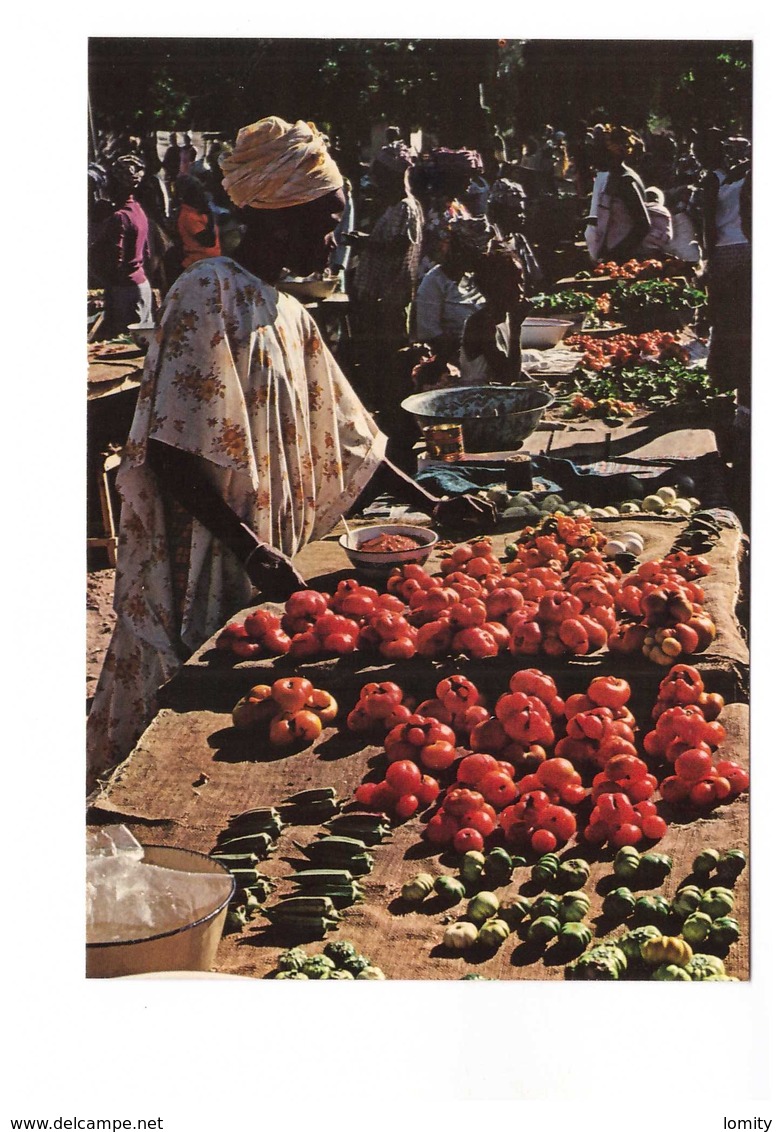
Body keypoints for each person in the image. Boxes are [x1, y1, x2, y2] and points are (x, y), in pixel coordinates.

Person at [86, 116, 495, 784]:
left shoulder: (292, 312)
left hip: (261, 548)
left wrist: (435, 502)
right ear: (277, 215)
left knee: (246, 710)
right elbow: (170, 451)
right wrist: (248, 546)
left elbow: (347, 436)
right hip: (206, 547)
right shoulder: (204, 292)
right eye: (324, 220)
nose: (335, 238)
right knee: (176, 700)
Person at [348, 140, 424, 410]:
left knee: (392, 356)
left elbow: (398, 246)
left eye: (380, 174)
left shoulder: (406, 206)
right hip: (379, 296)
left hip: (390, 297)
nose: (375, 180)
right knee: (377, 355)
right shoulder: (394, 207)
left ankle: (396, 406)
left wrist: (364, 243)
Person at [89, 154, 153, 338]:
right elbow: (146, 252)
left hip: (124, 293)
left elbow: (115, 262)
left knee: (123, 343)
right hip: (141, 287)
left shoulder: (119, 217)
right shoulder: (137, 210)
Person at [414, 215, 493, 366]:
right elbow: (430, 336)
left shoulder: (478, 278)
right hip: (453, 360)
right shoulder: (434, 281)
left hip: (486, 354)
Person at [459, 243, 532, 384]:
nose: (520, 290)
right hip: (478, 399)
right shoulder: (481, 323)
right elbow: (509, 378)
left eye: (521, 283)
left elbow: (512, 367)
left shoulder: (504, 317)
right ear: (493, 287)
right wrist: (516, 329)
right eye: (512, 284)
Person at [584, 125, 651, 265]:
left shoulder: (625, 180)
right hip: (615, 253)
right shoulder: (612, 177)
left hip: (627, 258)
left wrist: (616, 255)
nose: (592, 155)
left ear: (611, 153)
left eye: (597, 150)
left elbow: (643, 224)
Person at [486, 177, 544, 293]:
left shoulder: (519, 237)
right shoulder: (495, 207)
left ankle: (529, 283)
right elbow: (492, 222)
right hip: (503, 232)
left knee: (522, 252)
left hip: (511, 234)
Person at [174, 173, 222, 270]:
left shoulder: (197, 211)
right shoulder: (189, 216)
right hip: (199, 265)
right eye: (197, 191)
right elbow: (209, 242)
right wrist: (210, 215)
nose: (202, 194)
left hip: (210, 262)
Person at [637, 186, 674, 257]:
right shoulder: (665, 211)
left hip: (639, 245)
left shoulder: (638, 209)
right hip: (656, 247)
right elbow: (668, 235)